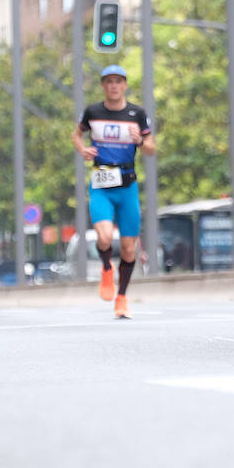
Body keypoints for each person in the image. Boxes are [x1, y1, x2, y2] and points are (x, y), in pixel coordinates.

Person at [74, 64, 157, 320]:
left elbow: (151, 149)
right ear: (103, 85)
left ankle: (121, 298)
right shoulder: (93, 112)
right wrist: (82, 149)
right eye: (108, 81)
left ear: (125, 85)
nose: (113, 85)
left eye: (118, 81)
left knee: (130, 249)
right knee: (106, 236)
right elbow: (76, 135)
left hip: (127, 185)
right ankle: (107, 267)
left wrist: (139, 141)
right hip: (101, 183)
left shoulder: (137, 114)